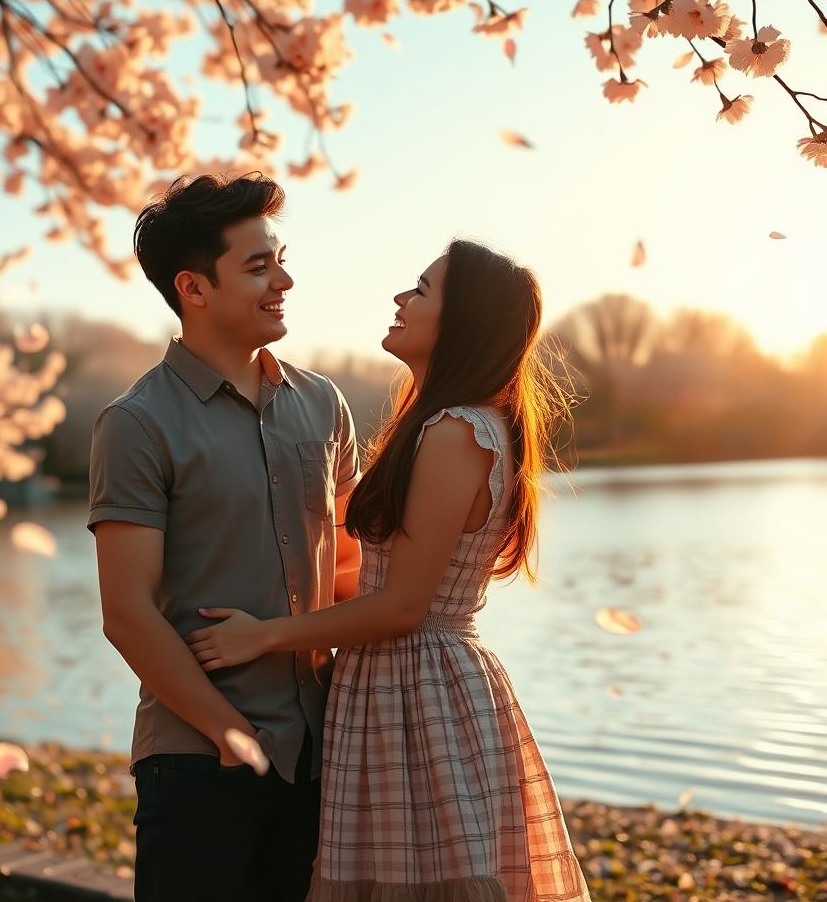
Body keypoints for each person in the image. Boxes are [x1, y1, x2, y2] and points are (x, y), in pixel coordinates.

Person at [186, 240, 592, 902]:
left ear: (462, 323)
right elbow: (382, 585)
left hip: (417, 687)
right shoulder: (460, 425)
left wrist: (259, 635)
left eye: (422, 291)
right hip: (411, 683)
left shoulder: (455, 432)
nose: (401, 300)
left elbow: (403, 608)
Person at [87, 172, 361, 902]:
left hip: (318, 755)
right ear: (194, 288)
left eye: (281, 259)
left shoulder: (324, 405)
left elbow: (351, 574)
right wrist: (232, 738)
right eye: (259, 266)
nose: (285, 280)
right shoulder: (137, 424)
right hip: (197, 762)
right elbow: (128, 614)